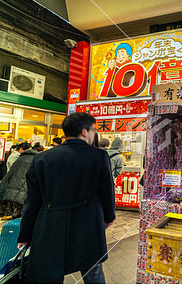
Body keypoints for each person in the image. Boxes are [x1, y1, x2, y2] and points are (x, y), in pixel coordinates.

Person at [17, 112, 116, 284]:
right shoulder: (98, 156)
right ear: (85, 132)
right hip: (88, 223)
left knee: (48, 274)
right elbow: (107, 192)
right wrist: (109, 217)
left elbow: (32, 201)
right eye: (93, 130)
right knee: (93, 271)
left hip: (50, 224)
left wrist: (25, 235)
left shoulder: (41, 159)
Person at [0, 147, 39, 219]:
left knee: (9, 213)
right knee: (18, 216)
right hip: (22, 189)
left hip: (11, 187)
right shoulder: (36, 159)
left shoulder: (20, 158)